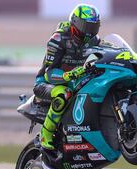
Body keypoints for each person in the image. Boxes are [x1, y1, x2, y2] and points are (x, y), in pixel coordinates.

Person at [33, 4, 101, 151]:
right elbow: (48, 73)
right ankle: (46, 133)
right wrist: (68, 75)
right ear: (75, 23)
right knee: (64, 94)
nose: (90, 31)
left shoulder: (94, 40)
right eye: (86, 26)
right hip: (46, 83)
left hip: (74, 81)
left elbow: (106, 50)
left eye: (93, 27)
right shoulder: (59, 38)